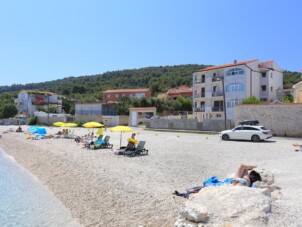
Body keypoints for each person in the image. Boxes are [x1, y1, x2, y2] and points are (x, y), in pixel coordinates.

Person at [173, 164, 262, 198]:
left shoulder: (243, 178)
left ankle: (186, 193)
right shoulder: (246, 180)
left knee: (206, 188)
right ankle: (187, 193)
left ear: (251, 175)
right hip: (235, 184)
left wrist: (253, 166)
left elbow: (242, 166)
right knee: (207, 189)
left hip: (233, 182)